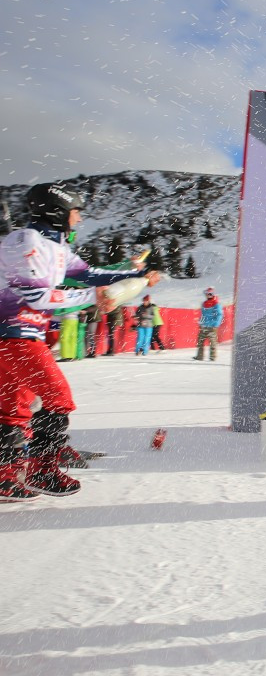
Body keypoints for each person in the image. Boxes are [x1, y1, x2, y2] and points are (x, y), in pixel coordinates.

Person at [0, 183, 157, 501]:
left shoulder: (53, 245)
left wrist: (135, 275)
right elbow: (37, 296)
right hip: (13, 334)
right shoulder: (26, 242)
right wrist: (93, 297)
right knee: (58, 398)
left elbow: (89, 273)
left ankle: (5, 474)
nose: (79, 219)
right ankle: (41, 470)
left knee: (12, 409)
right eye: (76, 212)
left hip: (22, 334)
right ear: (57, 212)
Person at [194, 287, 224, 361]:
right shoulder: (204, 304)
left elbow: (219, 315)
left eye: (210, 294)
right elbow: (203, 315)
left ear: (213, 294)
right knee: (200, 341)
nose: (208, 295)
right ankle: (199, 356)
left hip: (212, 327)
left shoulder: (216, 304)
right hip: (204, 326)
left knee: (212, 342)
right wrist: (201, 323)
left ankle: (212, 357)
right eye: (207, 294)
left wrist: (215, 325)